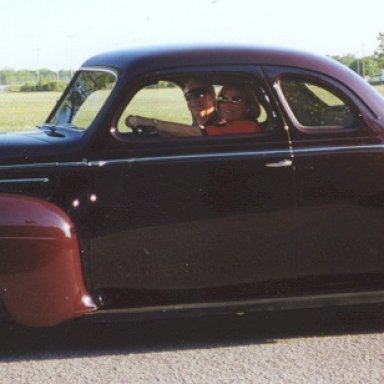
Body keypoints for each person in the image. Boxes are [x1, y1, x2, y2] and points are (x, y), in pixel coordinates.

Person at [125, 78, 220, 137]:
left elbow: (196, 133)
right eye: (188, 96)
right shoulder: (197, 123)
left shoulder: (219, 123)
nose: (193, 100)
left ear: (212, 96)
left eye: (199, 94)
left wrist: (151, 122)